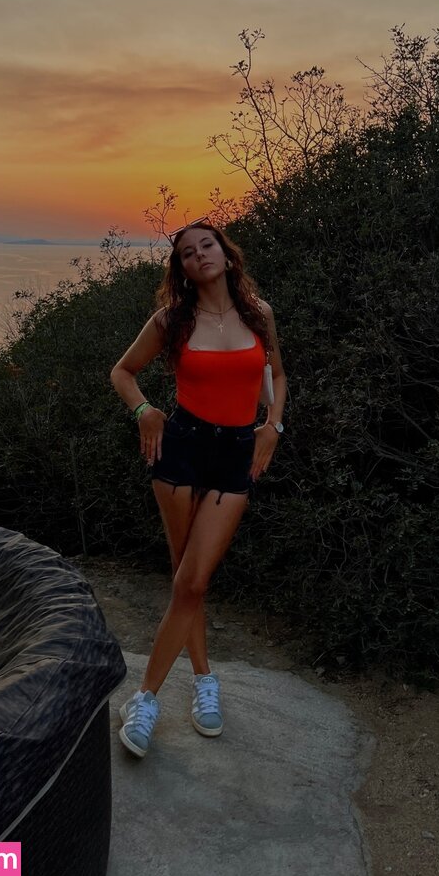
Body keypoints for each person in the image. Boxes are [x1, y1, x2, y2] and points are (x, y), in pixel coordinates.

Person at [109, 220, 287, 758]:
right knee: (186, 578)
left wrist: (272, 427)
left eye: (207, 245)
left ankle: (173, 687)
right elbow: (123, 372)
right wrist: (144, 411)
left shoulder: (259, 313)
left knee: (195, 577)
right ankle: (164, 694)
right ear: (182, 269)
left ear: (226, 255)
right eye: (187, 252)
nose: (199, 255)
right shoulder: (172, 320)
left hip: (235, 455)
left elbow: (278, 375)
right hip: (181, 450)